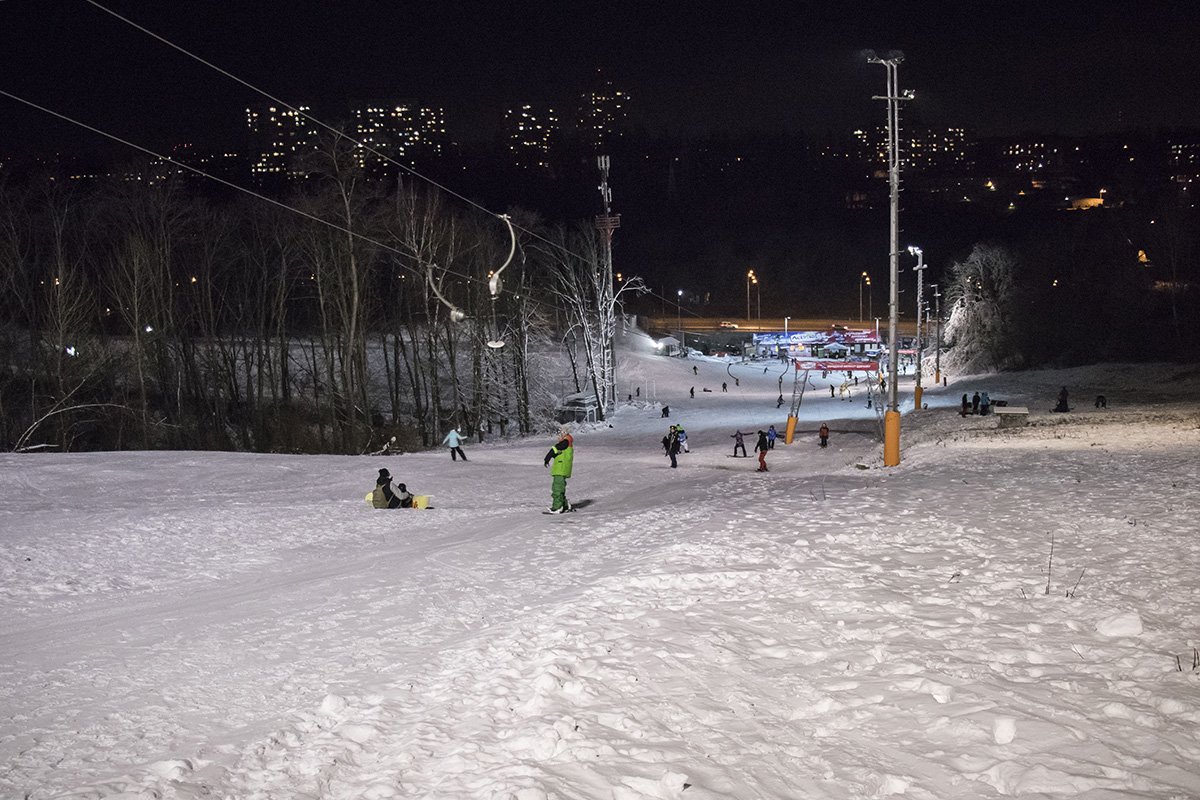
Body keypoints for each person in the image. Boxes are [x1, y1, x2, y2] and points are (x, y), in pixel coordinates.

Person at [543, 428, 575, 513]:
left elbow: (556, 448)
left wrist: (548, 457)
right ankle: (564, 505)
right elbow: (559, 452)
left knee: (557, 488)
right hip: (561, 469)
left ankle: (557, 507)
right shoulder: (566, 442)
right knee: (560, 488)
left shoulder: (566, 442)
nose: (558, 437)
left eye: (559, 435)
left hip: (561, 469)